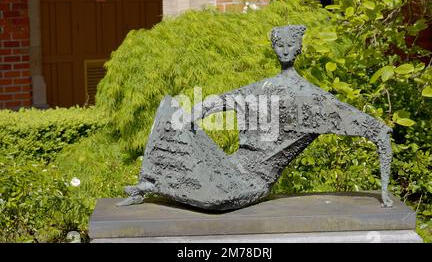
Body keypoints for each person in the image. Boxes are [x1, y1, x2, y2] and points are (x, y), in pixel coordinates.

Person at [117, 25, 393, 210]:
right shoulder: (262, 88)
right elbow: (220, 101)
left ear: (299, 48)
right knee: (170, 112)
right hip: (229, 166)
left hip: (252, 182)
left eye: (291, 44)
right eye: (280, 45)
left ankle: (151, 184)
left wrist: (385, 192)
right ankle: (146, 184)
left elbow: (369, 127)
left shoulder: (315, 100)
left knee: (214, 197)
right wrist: (194, 113)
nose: (285, 50)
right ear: (274, 48)